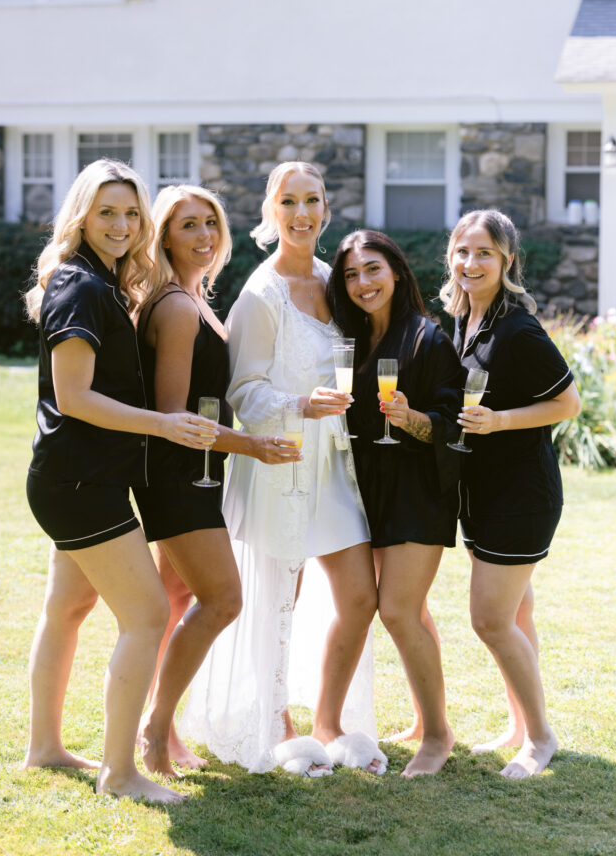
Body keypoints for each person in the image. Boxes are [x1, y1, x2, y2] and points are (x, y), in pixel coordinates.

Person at [181, 161, 387, 776]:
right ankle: (276, 722)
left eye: (313, 200)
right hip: (280, 460)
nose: (302, 213)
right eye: (289, 201)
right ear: (272, 211)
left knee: (358, 598)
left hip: (335, 465)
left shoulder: (336, 279)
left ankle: (329, 721)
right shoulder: (260, 294)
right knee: (279, 601)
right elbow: (243, 392)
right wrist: (298, 405)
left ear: (326, 209)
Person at [23, 159, 218, 803]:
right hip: (83, 482)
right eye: (107, 211)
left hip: (72, 477)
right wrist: (163, 426)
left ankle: (45, 747)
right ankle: (121, 772)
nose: (122, 223)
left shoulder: (100, 281)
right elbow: (73, 397)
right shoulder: (80, 287)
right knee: (147, 613)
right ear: (81, 215)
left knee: (68, 610)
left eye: (131, 212)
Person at [132, 184, 298, 778]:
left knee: (176, 601)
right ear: (164, 236)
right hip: (178, 479)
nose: (203, 236)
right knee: (223, 599)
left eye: (211, 223)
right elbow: (176, 421)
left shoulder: (196, 297)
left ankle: (161, 725)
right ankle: (155, 729)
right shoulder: (176, 308)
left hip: (203, 474)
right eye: (187, 226)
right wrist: (252, 444)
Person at [440, 208, 581, 779]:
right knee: (516, 613)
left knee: (491, 619)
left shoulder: (518, 329)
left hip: (520, 496)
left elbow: (568, 404)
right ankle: (518, 724)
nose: (471, 263)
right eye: (463, 252)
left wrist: (499, 423)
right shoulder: (463, 318)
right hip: (482, 491)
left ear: (507, 261)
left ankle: (540, 738)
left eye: (485, 254)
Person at [326, 229, 462, 777]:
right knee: (398, 610)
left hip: (417, 491)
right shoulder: (351, 342)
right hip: (362, 492)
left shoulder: (427, 339)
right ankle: (355, 722)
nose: (363, 283)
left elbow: (453, 427)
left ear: (398, 273)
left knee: (398, 610)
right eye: (352, 274)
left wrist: (411, 420)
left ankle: (437, 735)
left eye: (373, 269)